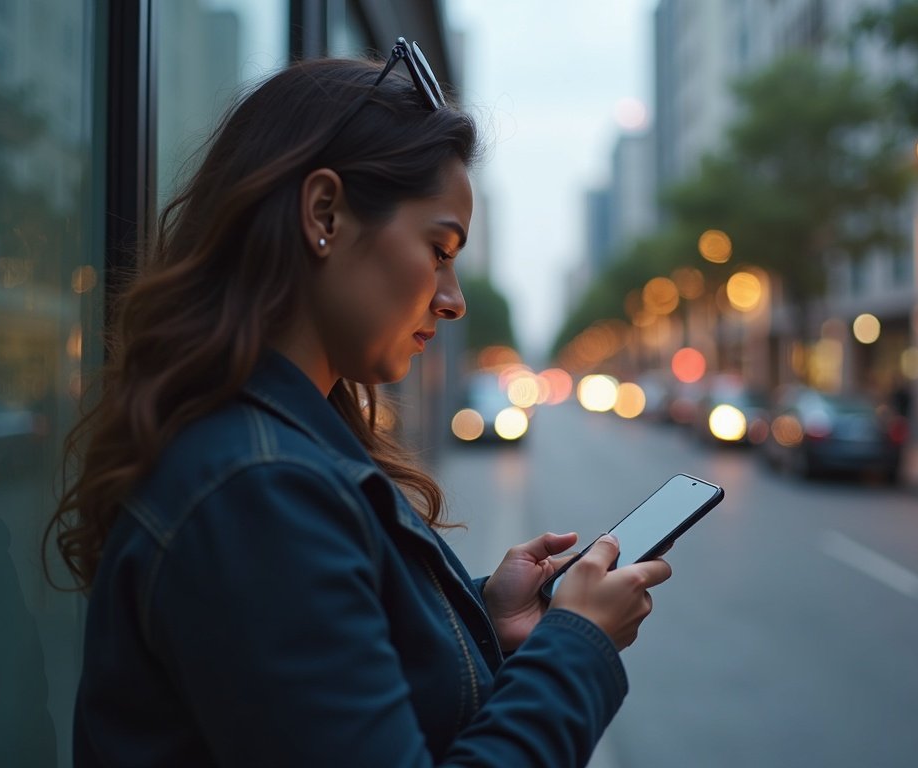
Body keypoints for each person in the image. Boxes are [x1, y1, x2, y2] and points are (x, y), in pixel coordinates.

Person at [44, 41, 670, 767]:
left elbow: (341, 665)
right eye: (439, 250)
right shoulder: (257, 491)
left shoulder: (265, 458)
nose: (454, 299)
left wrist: (481, 620)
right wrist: (577, 646)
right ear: (325, 213)